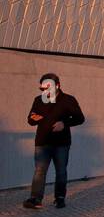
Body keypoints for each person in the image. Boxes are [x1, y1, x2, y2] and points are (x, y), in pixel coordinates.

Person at [23, 73, 85, 209]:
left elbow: (80, 118)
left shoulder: (68, 100)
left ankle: (60, 198)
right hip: (42, 142)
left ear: (57, 86)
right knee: (39, 171)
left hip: (61, 143)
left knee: (61, 171)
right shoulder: (39, 100)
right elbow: (30, 119)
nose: (45, 91)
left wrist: (64, 123)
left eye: (47, 88)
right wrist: (34, 118)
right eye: (42, 89)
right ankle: (35, 199)